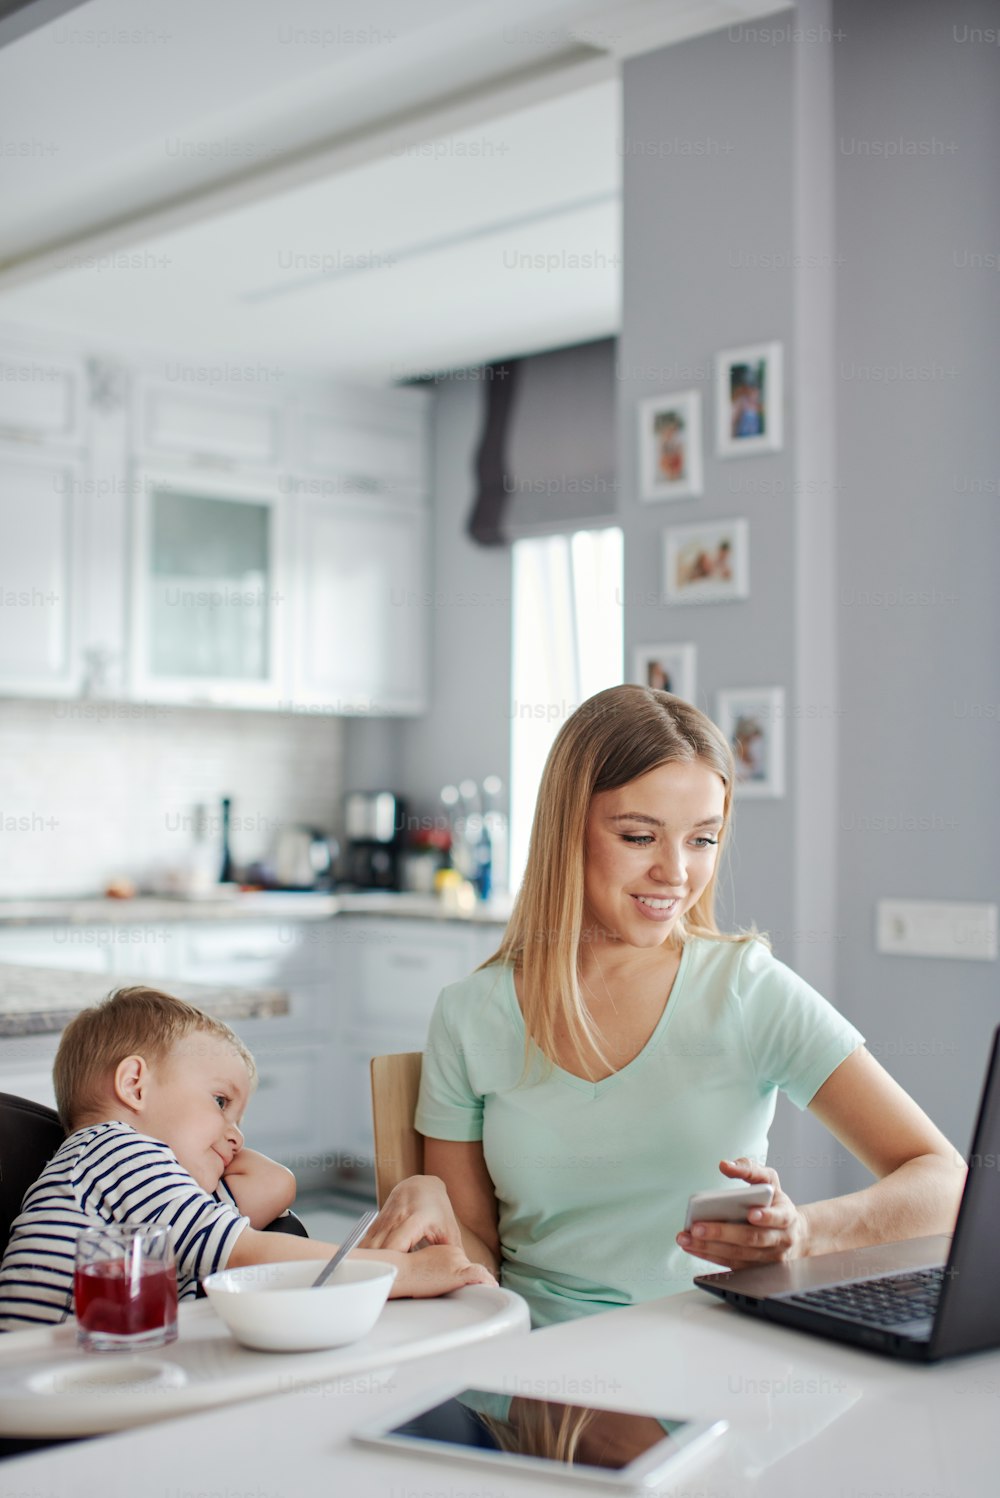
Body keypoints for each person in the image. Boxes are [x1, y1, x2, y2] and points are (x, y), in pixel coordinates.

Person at [415, 685, 966, 1329]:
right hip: (540, 1366)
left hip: (715, 1347)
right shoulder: (469, 1014)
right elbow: (475, 1253)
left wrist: (806, 1234)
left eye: (702, 840)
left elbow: (945, 1181)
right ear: (568, 830)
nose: (675, 872)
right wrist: (437, 1229)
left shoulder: (746, 987)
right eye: (640, 836)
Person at [0, 987, 492, 1330]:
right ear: (134, 1085)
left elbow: (273, 1183)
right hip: (45, 1382)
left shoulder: (157, 1192)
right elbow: (244, 1251)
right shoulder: (116, 1150)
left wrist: (212, 1146)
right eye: (220, 1101)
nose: (236, 1135)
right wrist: (399, 1272)